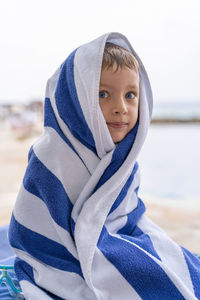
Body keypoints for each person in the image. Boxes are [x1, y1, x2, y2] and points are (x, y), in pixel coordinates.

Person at [6, 32, 200, 299]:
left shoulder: (123, 157)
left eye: (131, 94)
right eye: (103, 94)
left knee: (179, 262)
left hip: (113, 237)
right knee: (142, 275)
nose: (120, 107)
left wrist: (124, 241)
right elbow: (33, 226)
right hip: (66, 252)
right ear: (75, 99)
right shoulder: (52, 159)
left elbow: (127, 214)